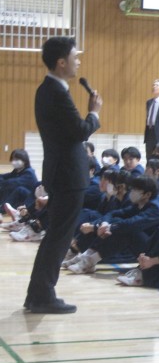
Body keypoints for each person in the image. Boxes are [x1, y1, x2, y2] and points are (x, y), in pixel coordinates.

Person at [24, 36, 102, 314]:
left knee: (55, 237)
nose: (77, 61)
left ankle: (37, 294)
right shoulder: (56, 92)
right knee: (58, 238)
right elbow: (80, 131)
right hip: (68, 175)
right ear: (61, 62)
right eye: (74, 57)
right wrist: (94, 113)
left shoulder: (47, 90)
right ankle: (43, 295)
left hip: (60, 172)